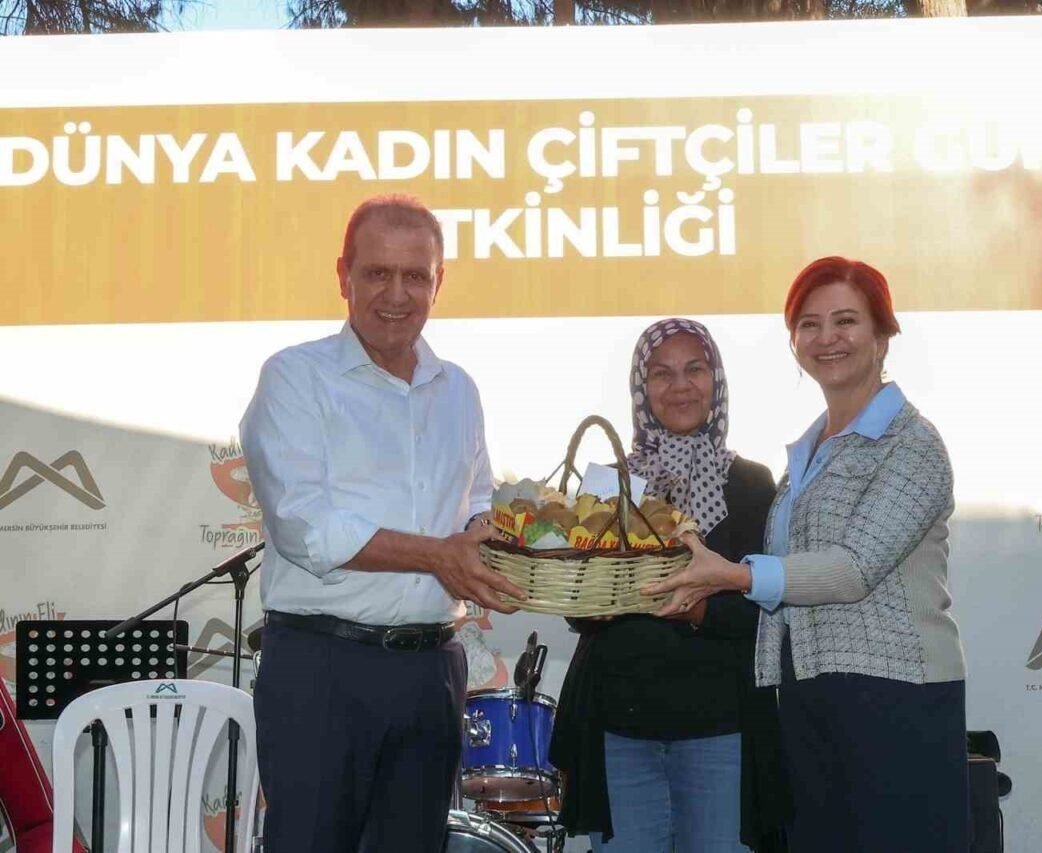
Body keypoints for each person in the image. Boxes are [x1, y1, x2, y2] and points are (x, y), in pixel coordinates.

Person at [644, 258, 968, 852]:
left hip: (895, 693)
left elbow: (853, 569)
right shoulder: (809, 449)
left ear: (883, 333)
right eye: (809, 325)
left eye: (846, 321)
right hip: (807, 696)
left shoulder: (913, 444)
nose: (827, 338)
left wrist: (733, 577)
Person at [240, 194, 525, 853]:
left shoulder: (459, 390)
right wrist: (439, 555)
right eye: (377, 273)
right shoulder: (295, 378)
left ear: (438, 282)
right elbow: (305, 527)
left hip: (432, 672)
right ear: (343, 275)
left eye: (415, 275)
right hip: (322, 669)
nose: (397, 294)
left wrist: (510, 548)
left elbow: (477, 502)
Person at [550, 318, 790, 853]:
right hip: (619, 726)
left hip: (720, 730)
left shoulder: (751, 484)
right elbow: (578, 603)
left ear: (715, 380)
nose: (680, 386)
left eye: (694, 369)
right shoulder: (610, 481)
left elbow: (768, 609)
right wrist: (594, 604)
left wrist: (698, 611)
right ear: (642, 388)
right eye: (661, 373)